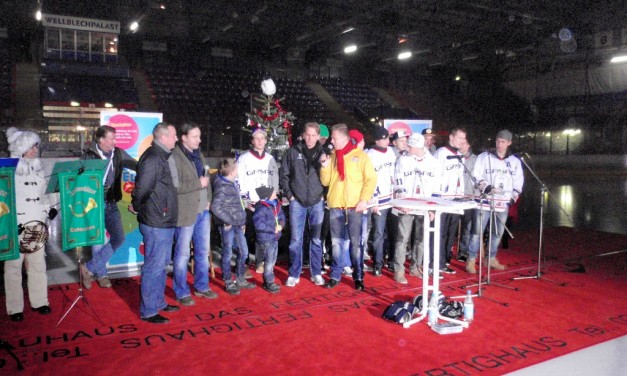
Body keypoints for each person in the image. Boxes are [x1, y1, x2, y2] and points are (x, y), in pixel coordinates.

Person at [131, 123, 179, 324]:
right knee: (154, 266)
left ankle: (158, 302)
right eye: (174, 135)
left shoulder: (161, 156)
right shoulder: (153, 158)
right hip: (156, 221)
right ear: (164, 137)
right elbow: (142, 189)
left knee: (161, 265)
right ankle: (149, 310)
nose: (176, 139)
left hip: (163, 220)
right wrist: (137, 205)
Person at [4, 128, 53, 322]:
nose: (35, 149)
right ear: (21, 147)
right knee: (13, 267)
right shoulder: (8, 169)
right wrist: (8, 223)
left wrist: (49, 209)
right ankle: (15, 307)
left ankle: (40, 301)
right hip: (16, 224)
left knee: (38, 265)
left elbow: (44, 192)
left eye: (35, 145)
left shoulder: (39, 167)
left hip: (37, 223)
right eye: (31, 145)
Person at [319, 124, 376, 290]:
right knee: (336, 243)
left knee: (356, 244)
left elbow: (370, 180)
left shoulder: (361, 156)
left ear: (344, 139)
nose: (332, 141)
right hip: (336, 206)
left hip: (354, 207)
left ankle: (358, 276)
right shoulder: (333, 156)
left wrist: (364, 199)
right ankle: (335, 275)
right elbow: (326, 181)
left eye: (334, 138)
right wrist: (324, 166)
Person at [79, 125, 137, 289]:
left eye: (115, 138)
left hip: (111, 203)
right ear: (101, 139)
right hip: (95, 204)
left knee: (119, 238)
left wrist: (149, 168)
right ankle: (101, 274)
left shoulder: (118, 153)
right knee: (97, 241)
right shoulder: (88, 156)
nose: (114, 142)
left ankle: (89, 268)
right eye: (111, 138)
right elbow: (80, 181)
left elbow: (135, 165)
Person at [170, 123, 216, 306]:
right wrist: (199, 183)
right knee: (182, 255)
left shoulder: (199, 154)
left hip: (203, 210)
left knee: (202, 252)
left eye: (199, 136)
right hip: (186, 212)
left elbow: (208, 181)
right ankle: (181, 291)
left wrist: (209, 199)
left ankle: (202, 286)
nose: (199, 139)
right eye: (195, 136)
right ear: (184, 137)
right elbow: (175, 186)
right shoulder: (174, 157)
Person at [467, 130, 524, 274]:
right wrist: (486, 187)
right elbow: (476, 174)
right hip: (485, 200)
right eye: (498, 141)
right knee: (477, 231)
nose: (500, 144)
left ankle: (490, 258)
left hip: (502, 202)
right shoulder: (484, 157)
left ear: (509, 143)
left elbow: (518, 182)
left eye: (503, 142)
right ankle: (471, 259)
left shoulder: (515, 161)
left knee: (498, 232)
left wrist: (512, 197)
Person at [279, 122, 325, 287]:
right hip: (296, 202)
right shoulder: (292, 152)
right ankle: (294, 273)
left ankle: (316, 272)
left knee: (316, 240)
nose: (311, 138)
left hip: (317, 201)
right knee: (295, 239)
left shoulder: (324, 153)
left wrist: (323, 196)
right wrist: (290, 195)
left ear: (318, 136)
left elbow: (330, 177)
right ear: (303, 135)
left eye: (314, 135)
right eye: (308, 134)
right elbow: (283, 175)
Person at [391, 133, 439, 284]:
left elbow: (436, 186)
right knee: (402, 238)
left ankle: (416, 266)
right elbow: (397, 182)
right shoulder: (403, 160)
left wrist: (433, 209)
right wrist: (403, 203)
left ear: (419, 147)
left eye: (410, 146)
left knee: (421, 238)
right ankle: (399, 270)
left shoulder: (433, 162)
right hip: (407, 205)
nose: (407, 147)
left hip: (424, 206)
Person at [236, 128, 279, 273]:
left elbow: (275, 180)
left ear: (266, 140)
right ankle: (245, 263)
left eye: (263, 138)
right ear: (252, 140)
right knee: (248, 235)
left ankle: (260, 262)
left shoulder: (270, 158)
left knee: (264, 234)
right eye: (257, 138)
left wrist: (273, 197)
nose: (260, 141)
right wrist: (245, 200)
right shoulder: (244, 158)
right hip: (250, 204)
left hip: (266, 204)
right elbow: (239, 180)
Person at [211, 158, 256, 295]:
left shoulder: (230, 183)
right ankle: (228, 280)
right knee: (227, 253)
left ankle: (240, 277)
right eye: (236, 168)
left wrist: (242, 219)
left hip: (236, 224)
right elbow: (216, 207)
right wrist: (228, 220)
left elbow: (235, 204)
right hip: (229, 226)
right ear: (231, 172)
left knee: (244, 251)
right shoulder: (223, 186)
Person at [433, 127, 467, 274]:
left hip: (456, 199)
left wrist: (461, 194)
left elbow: (460, 177)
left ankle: (445, 259)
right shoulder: (441, 153)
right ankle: (437, 262)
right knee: (440, 232)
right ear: (452, 138)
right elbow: (435, 175)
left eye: (464, 139)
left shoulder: (460, 155)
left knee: (451, 232)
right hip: (443, 199)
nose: (462, 141)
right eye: (460, 138)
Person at [365, 126, 396, 276]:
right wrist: (373, 201)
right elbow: (368, 180)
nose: (386, 141)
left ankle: (391, 260)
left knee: (393, 232)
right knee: (378, 233)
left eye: (387, 138)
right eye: (383, 138)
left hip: (392, 198)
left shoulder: (391, 152)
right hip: (379, 199)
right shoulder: (370, 155)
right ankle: (378, 263)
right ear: (377, 140)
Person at [252, 186, 286, 293]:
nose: (275, 192)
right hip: (267, 238)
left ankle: (268, 281)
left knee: (272, 259)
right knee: (269, 261)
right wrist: (272, 229)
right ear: (268, 195)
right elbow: (259, 224)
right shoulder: (262, 208)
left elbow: (282, 217)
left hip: (274, 237)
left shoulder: (276, 205)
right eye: (273, 192)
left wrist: (280, 225)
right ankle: (269, 281)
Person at [457, 139, 477, 262]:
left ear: (469, 145)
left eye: (463, 143)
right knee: (451, 228)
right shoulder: (454, 157)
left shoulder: (476, 160)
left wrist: (474, 195)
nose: (461, 146)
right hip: (454, 197)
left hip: (469, 198)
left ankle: (463, 251)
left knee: (467, 227)